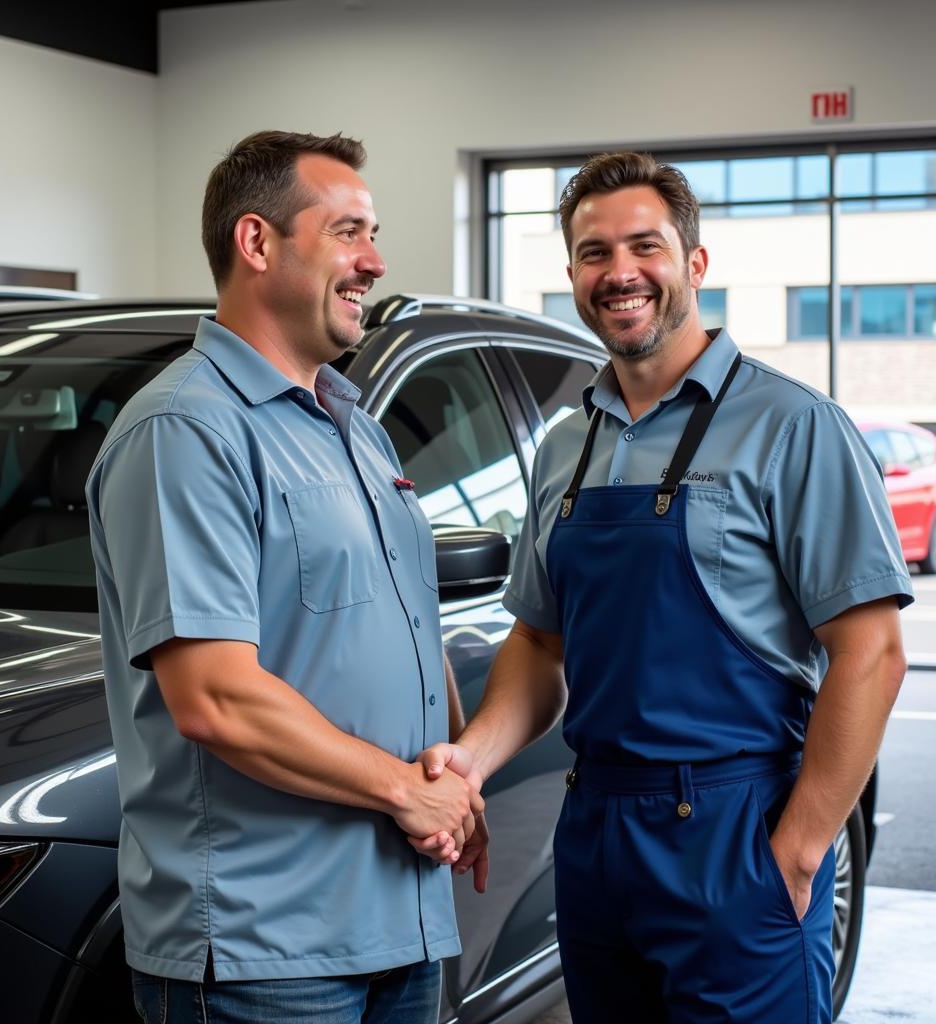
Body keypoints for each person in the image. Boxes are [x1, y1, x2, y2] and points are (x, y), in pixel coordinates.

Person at [419, 151, 912, 1022]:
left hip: (736, 829)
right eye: (593, 252)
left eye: (643, 246)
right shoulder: (566, 447)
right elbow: (539, 642)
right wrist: (475, 757)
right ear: (572, 273)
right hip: (597, 831)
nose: (620, 273)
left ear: (693, 263)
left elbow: (869, 655)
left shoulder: (794, 427)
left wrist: (796, 854)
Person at [86, 130, 485, 1024]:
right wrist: (407, 790)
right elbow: (216, 700)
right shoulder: (186, 431)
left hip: (403, 915)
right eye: (348, 232)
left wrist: (451, 780)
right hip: (269, 949)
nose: (374, 261)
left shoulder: (356, 428)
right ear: (257, 243)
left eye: (373, 234)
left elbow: (397, 623)